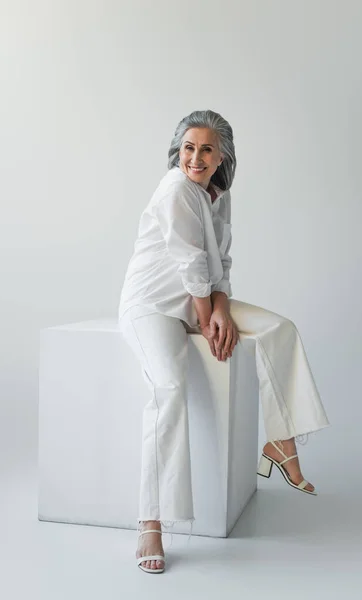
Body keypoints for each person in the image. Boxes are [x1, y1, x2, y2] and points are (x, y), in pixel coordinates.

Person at [118, 109, 330, 574]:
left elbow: (221, 262)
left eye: (206, 149)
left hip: (200, 303)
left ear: (222, 157)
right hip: (153, 306)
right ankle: (150, 521)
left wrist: (222, 309)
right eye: (189, 147)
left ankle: (281, 443)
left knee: (281, 330)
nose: (195, 156)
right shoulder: (175, 188)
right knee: (169, 389)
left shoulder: (219, 195)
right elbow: (190, 262)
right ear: (178, 150)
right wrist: (211, 318)